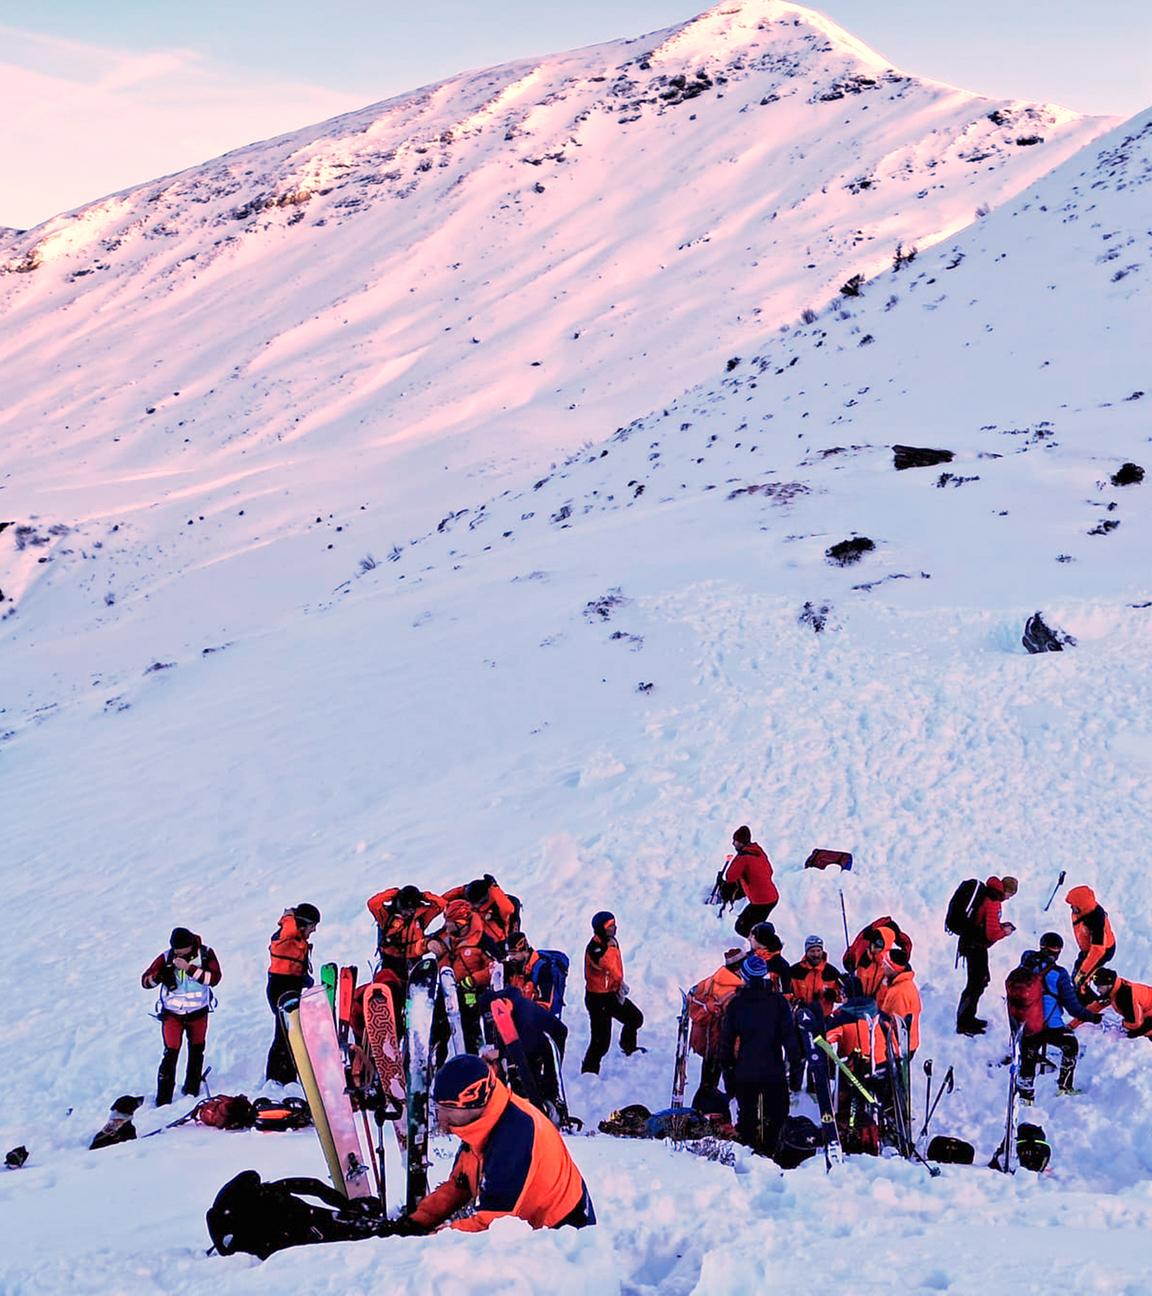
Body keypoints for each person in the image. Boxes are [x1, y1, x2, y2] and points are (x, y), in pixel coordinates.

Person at [402, 1054, 594, 1233]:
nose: (441, 1117)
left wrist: (429, 1240)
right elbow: (459, 1186)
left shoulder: (514, 1136)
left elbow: (491, 1225)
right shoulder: (484, 1122)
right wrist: (415, 1222)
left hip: (565, 1235)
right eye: (438, 1108)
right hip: (530, 1228)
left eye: (449, 1109)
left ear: (475, 1103)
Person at [718, 955, 801, 1155]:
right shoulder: (778, 1002)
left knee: (747, 1119)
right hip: (773, 1070)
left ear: (745, 977)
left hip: (746, 1070)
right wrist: (795, 1064)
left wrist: (728, 1070)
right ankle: (773, 1153)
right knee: (777, 1116)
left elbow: (726, 1042)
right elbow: (789, 1037)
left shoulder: (736, 1004)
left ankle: (748, 1156)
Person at [141, 927, 222, 1105]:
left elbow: (214, 979)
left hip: (198, 1013)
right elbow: (145, 982)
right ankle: (163, 1099)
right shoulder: (166, 957)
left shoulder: (205, 954)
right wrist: (159, 977)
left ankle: (192, 1090)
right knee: (170, 1054)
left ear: (190, 945)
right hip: (172, 1015)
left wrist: (189, 969)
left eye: (181, 950)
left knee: (196, 1051)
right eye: (175, 950)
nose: (178, 953)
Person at [1016, 932, 1095, 1102]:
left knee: (1028, 1057)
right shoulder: (1059, 974)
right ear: (1058, 951)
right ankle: (1064, 1086)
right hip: (1052, 1027)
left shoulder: (1025, 965)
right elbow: (1073, 1008)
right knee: (1071, 1045)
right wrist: (1092, 1017)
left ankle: (1025, 1097)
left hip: (1028, 1026)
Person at [479, 985, 569, 1112]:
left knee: (543, 1083)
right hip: (524, 1040)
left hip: (547, 1041)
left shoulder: (525, 1019)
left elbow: (522, 1058)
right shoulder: (492, 1011)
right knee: (517, 1076)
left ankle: (551, 1108)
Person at [581, 911, 644, 1074]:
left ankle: (628, 1047)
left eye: (614, 925)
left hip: (611, 994)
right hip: (598, 999)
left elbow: (614, 971)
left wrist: (618, 985)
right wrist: (610, 948)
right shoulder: (596, 949)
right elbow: (606, 965)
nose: (614, 929)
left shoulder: (610, 943)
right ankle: (589, 1071)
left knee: (635, 1018)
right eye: (610, 926)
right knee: (600, 1042)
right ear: (600, 929)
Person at [265, 903, 320, 1085]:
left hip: (290, 986)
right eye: (312, 926)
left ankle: (287, 1075)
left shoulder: (295, 938)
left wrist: (304, 979)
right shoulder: (286, 935)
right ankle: (276, 1078)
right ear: (302, 924)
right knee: (284, 1034)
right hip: (281, 989)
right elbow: (288, 929)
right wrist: (290, 916)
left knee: (291, 1031)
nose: (314, 931)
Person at [956, 876, 1018, 1036]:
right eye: (1010, 895)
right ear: (1006, 890)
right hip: (975, 946)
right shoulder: (993, 902)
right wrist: (1005, 932)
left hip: (971, 943)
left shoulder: (988, 895)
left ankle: (968, 1018)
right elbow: (991, 934)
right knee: (976, 983)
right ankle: (964, 1023)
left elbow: (986, 924)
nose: (1008, 898)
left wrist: (1000, 926)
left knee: (979, 981)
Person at [686, 947, 746, 1097]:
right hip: (719, 1041)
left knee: (708, 1076)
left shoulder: (715, 978)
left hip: (709, 1041)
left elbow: (692, 993)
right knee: (720, 1077)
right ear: (738, 967)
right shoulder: (732, 990)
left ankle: (704, 1099)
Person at [365, 885, 444, 982]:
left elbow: (441, 904)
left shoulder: (421, 917)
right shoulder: (387, 917)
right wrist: (394, 893)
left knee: (413, 987)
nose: (406, 913)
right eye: (404, 908)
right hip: (391, 963)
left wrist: (423, 896)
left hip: (414, 961)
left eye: (410, 910)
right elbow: (372, 903)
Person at [442, 875, 520, 955]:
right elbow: (442, 901)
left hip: (499, 943)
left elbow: (507, 908)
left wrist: (494, 887)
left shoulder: (498, 905)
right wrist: (463, 890)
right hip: (480, 945)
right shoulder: (470, 902)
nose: (474, 905)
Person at [723, 826, 778, 938]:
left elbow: (730, 876)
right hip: (772, 897)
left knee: (742, 928)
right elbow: (770, 871)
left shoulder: (743, 857)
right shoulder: (758, 851)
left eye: (735, 841)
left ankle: (761, 946)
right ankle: (761, 945)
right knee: (755, 927)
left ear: (741, 842)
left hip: (761, 901)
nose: (733, 844)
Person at [843, 918, 912, 998]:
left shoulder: (890, 964)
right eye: (873, 942)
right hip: (860, 1001)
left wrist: (903, 959)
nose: (873, 947)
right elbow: (849, 959)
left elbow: (907, 944)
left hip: (879, 1003)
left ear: (886, 945)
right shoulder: (862, 954)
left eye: (879, 944)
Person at [1066, 886, 1116, 987]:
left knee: (1081, 980)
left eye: (1074, 906)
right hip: (1089, 949)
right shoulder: (1085, 911)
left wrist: (1083, 972)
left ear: (1082, 906)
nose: (1071, 908)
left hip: (1102, 952)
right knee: (1078, 972)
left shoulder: (1096, 921)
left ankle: (1090, 987)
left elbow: (1098, 950)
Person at [789, 935, 843, 1024]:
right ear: (806, 952)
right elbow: (785, 994)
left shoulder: (832, 972)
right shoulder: (794, 971)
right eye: (812, 951)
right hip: (801, 1019)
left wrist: (833, 995)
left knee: (822, 1034)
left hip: (824, 1020)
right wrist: (796, 1002)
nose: (816, 955)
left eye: (818, 950)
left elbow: (843, 996)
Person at [878, 948, 921, 1059]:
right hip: (906, 1044)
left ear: (893, 969)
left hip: (902, 1048)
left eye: (885, 964)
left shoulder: (900, 994)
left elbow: (899, 1028)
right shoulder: (900, 984)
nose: (882, 967)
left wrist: (895, 1054)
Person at [1089, 968, 1152, 1040]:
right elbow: (1095, 1006)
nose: (1098, 990)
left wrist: (1124, 1024)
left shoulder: (1124, 997)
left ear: (1108, 984)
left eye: (1100, 987)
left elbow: (1136, 1024)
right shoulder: (1118, 986)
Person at [749, 923, 793, 995]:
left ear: (759, 939)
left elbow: (785, 994)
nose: (749, 939)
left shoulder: (780, 965)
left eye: (752, 936)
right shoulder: (748, 959)